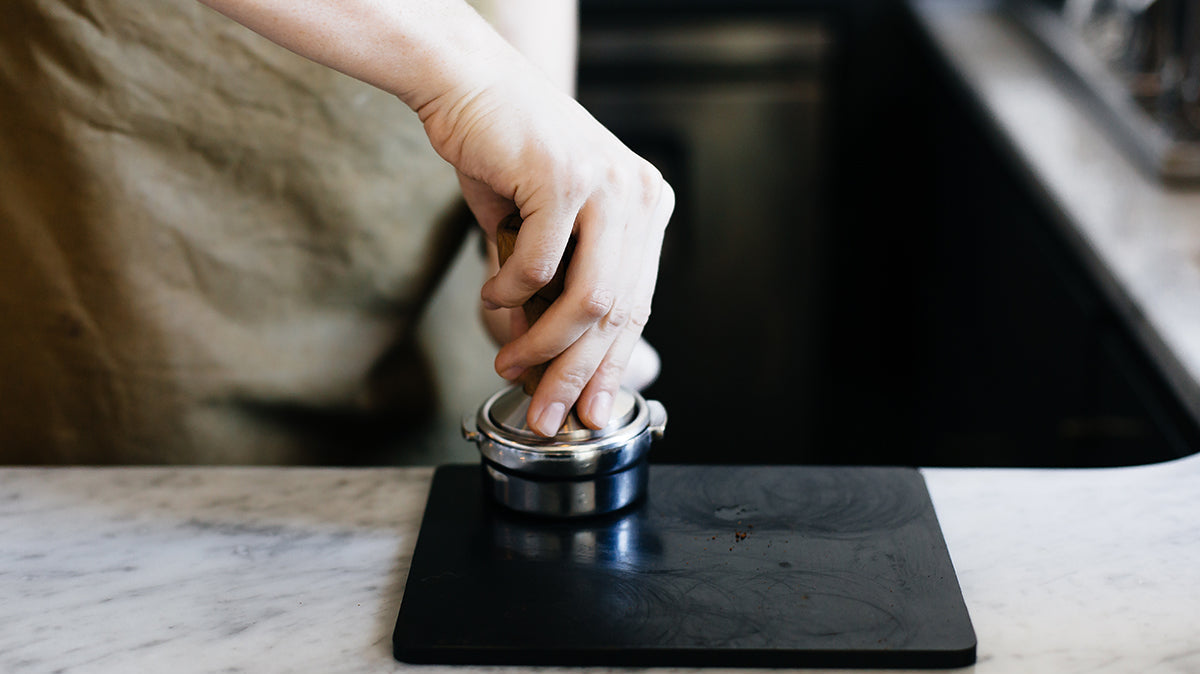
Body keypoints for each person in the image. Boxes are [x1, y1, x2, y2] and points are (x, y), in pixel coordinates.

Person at [0, 0, 671, 464]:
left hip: (421, 298)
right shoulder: (466, 75)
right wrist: (477, 79)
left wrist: (536, 195)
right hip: (139, 273)